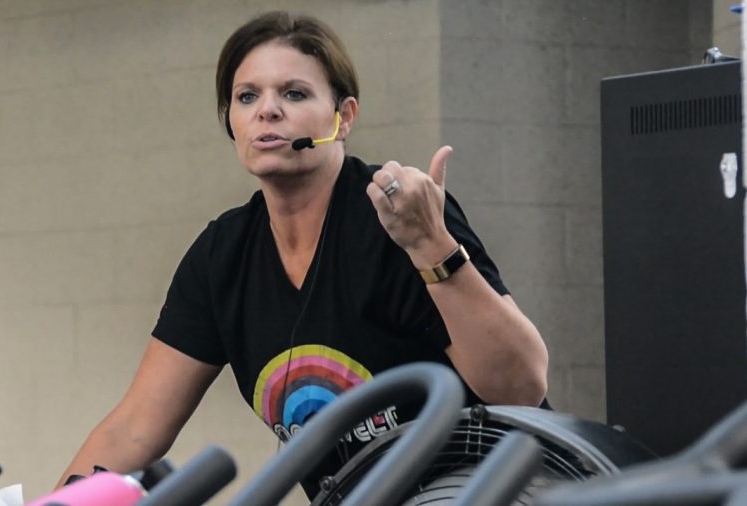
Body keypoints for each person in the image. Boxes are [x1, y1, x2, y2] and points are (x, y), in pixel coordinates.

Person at [58, 10, 548, 499]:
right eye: (247, 97)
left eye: (294, 93)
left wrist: (430, 244)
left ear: (345, 116)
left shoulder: (400, 217)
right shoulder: (221, 257)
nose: (266, 111)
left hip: (495, 490)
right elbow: (134, 429)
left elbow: (521, 385)